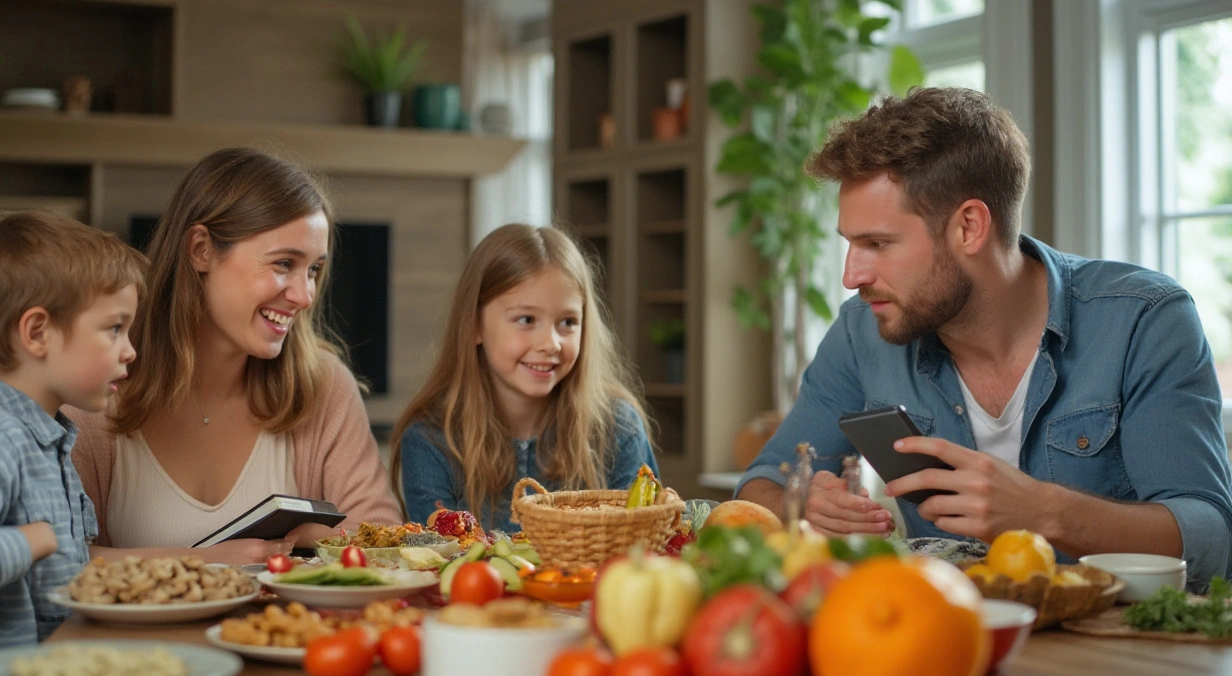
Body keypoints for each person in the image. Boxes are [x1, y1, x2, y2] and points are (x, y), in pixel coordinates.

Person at [736, 87, 1232, 590]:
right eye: (850, 244)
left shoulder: (1144, 320)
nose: (851, 275)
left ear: (970, 227)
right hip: (946, 643)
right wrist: (802, 506)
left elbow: (1211, 537)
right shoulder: (860, 330)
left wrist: (1046, 512)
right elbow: (759, 485)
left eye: (877, 244)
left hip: (1117, 655)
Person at [68, 148, 402, 566]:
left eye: (314, 270)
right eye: (284, 263)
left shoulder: (324, 385)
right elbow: (57, 564)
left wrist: (315, 536)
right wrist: (208, 561)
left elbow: (386, 542)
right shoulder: (96, 388)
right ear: (201, 250)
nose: (305, 295)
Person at [0, 211, 144, 676]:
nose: (131, 351)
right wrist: (35, 539)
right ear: (38, 332)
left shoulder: (44, 433)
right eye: (114, 329)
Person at [392, 224, 658, 532]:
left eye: (568, 322)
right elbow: (441, 559)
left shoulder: (618, 428)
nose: (551, 343)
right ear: (474, 325)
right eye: (526, 320)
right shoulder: (430, 440)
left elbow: (645, 542)